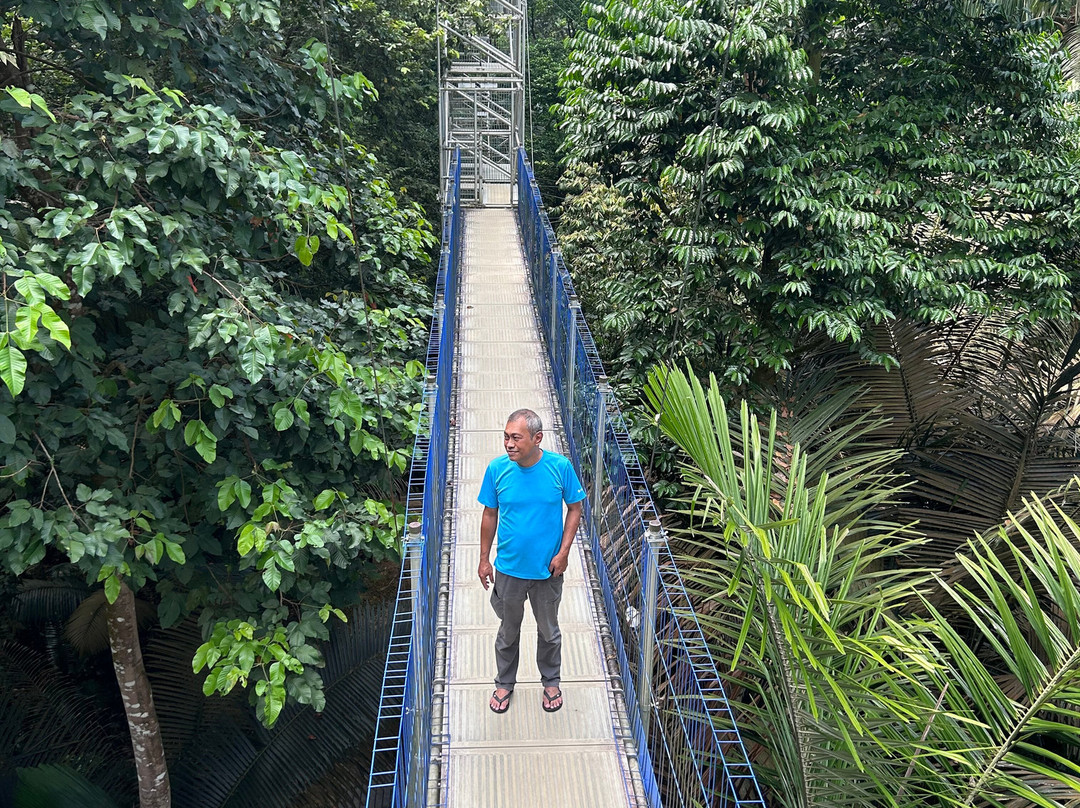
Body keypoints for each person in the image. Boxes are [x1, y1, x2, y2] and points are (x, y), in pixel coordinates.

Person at [477, 408, 585, 714]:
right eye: (506, 437)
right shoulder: (497, 469)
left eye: (516, 437)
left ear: (537, 438)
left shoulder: (559, 467)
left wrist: (563, 553)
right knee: (507, 631)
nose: (509, 444)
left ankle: (551, 681)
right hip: (508, 569)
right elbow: (489, 514)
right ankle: (504, 683)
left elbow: (575, 509)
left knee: (548, 630)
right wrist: (484, 560)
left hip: (547, 571)